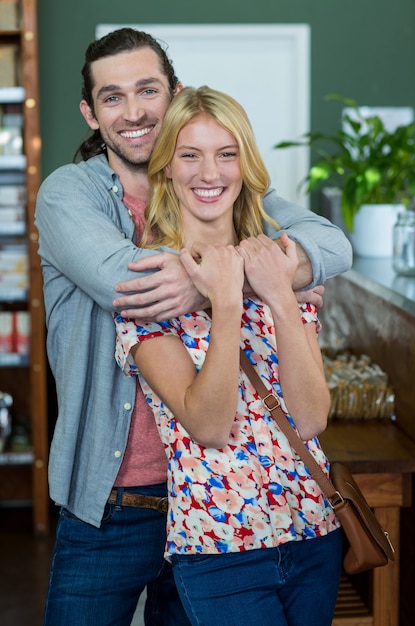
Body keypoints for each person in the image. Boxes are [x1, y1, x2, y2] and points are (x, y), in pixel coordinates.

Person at [35, 28, 350, 626]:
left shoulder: (218, 186)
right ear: (90, 112)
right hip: (116, 500)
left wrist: (251, 275)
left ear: (173, 93)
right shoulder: (68, 193)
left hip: (224, 508)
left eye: (148, 90)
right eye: (112, 97)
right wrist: (237, 274)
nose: (134, 112)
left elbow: (331, 244)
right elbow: (128, 284)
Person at [114, 85, 343, 626]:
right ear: (166, 165)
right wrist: (227, 303)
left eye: (226, 153)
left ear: (246, 164)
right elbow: (210, 425)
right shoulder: (148, 286)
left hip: (314, 529)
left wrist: (282, 297)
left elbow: (310, 418)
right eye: (190, 155)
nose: (209, 173)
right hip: (219, 547)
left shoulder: (279, 261)